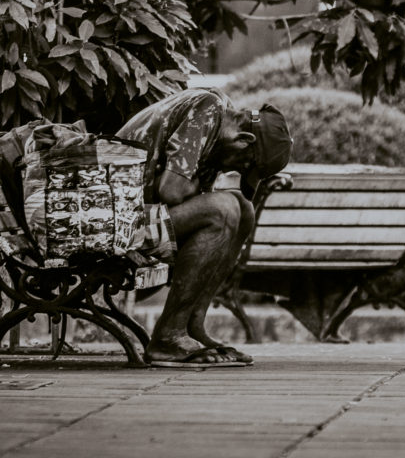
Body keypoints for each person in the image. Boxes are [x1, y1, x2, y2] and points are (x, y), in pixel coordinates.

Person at [116, 88, 292, 367]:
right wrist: (197, 189)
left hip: (142, 220)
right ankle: (167, 338)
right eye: (244, 164)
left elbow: (188, 196)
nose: (235, 169)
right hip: (116, 224)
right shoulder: (208, 108)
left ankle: (190, 326)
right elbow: (173, 191)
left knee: (242, 209)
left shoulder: (219, 138)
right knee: (222, 209)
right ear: (244, 140)